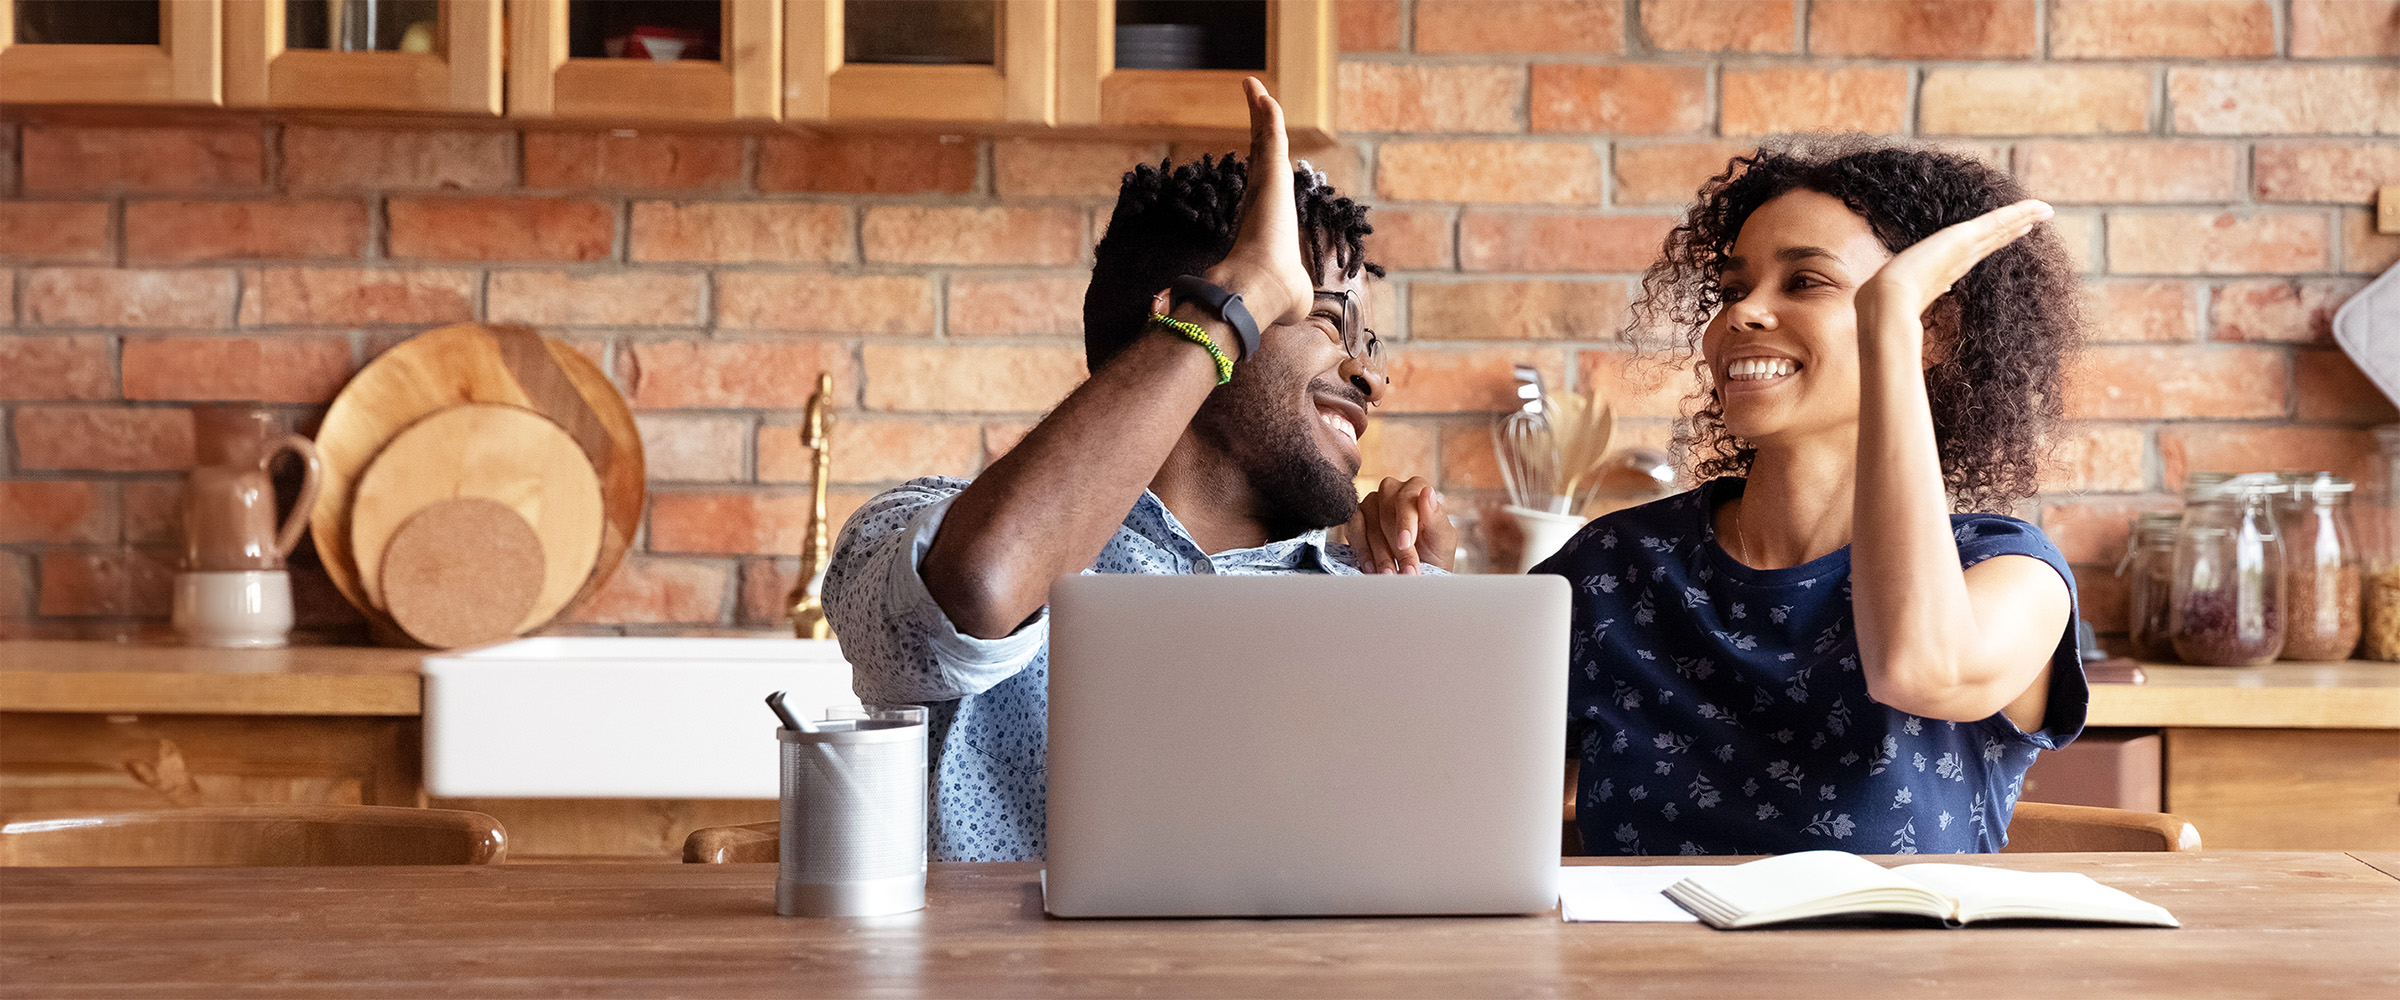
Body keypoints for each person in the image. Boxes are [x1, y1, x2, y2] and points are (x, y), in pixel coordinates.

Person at [822, 81, 1455, 863]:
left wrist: (1428, 622)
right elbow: (980, 588)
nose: (1372, 378)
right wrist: (1236, 300)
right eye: (1329, 321)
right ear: (1184, 313)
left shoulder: (1376, 587)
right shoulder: (926, 531)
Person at [1534, 138, 2087, 855]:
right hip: (1637, 968)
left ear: (1933, 330)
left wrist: (1890, 316)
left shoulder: (2010, 573)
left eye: (1805, 282)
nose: (1742, 315)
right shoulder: (1616, 565)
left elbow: (1922, 668)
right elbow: (1444, 761)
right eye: (1734, 290)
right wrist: (1401, 581)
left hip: (1900, 971)